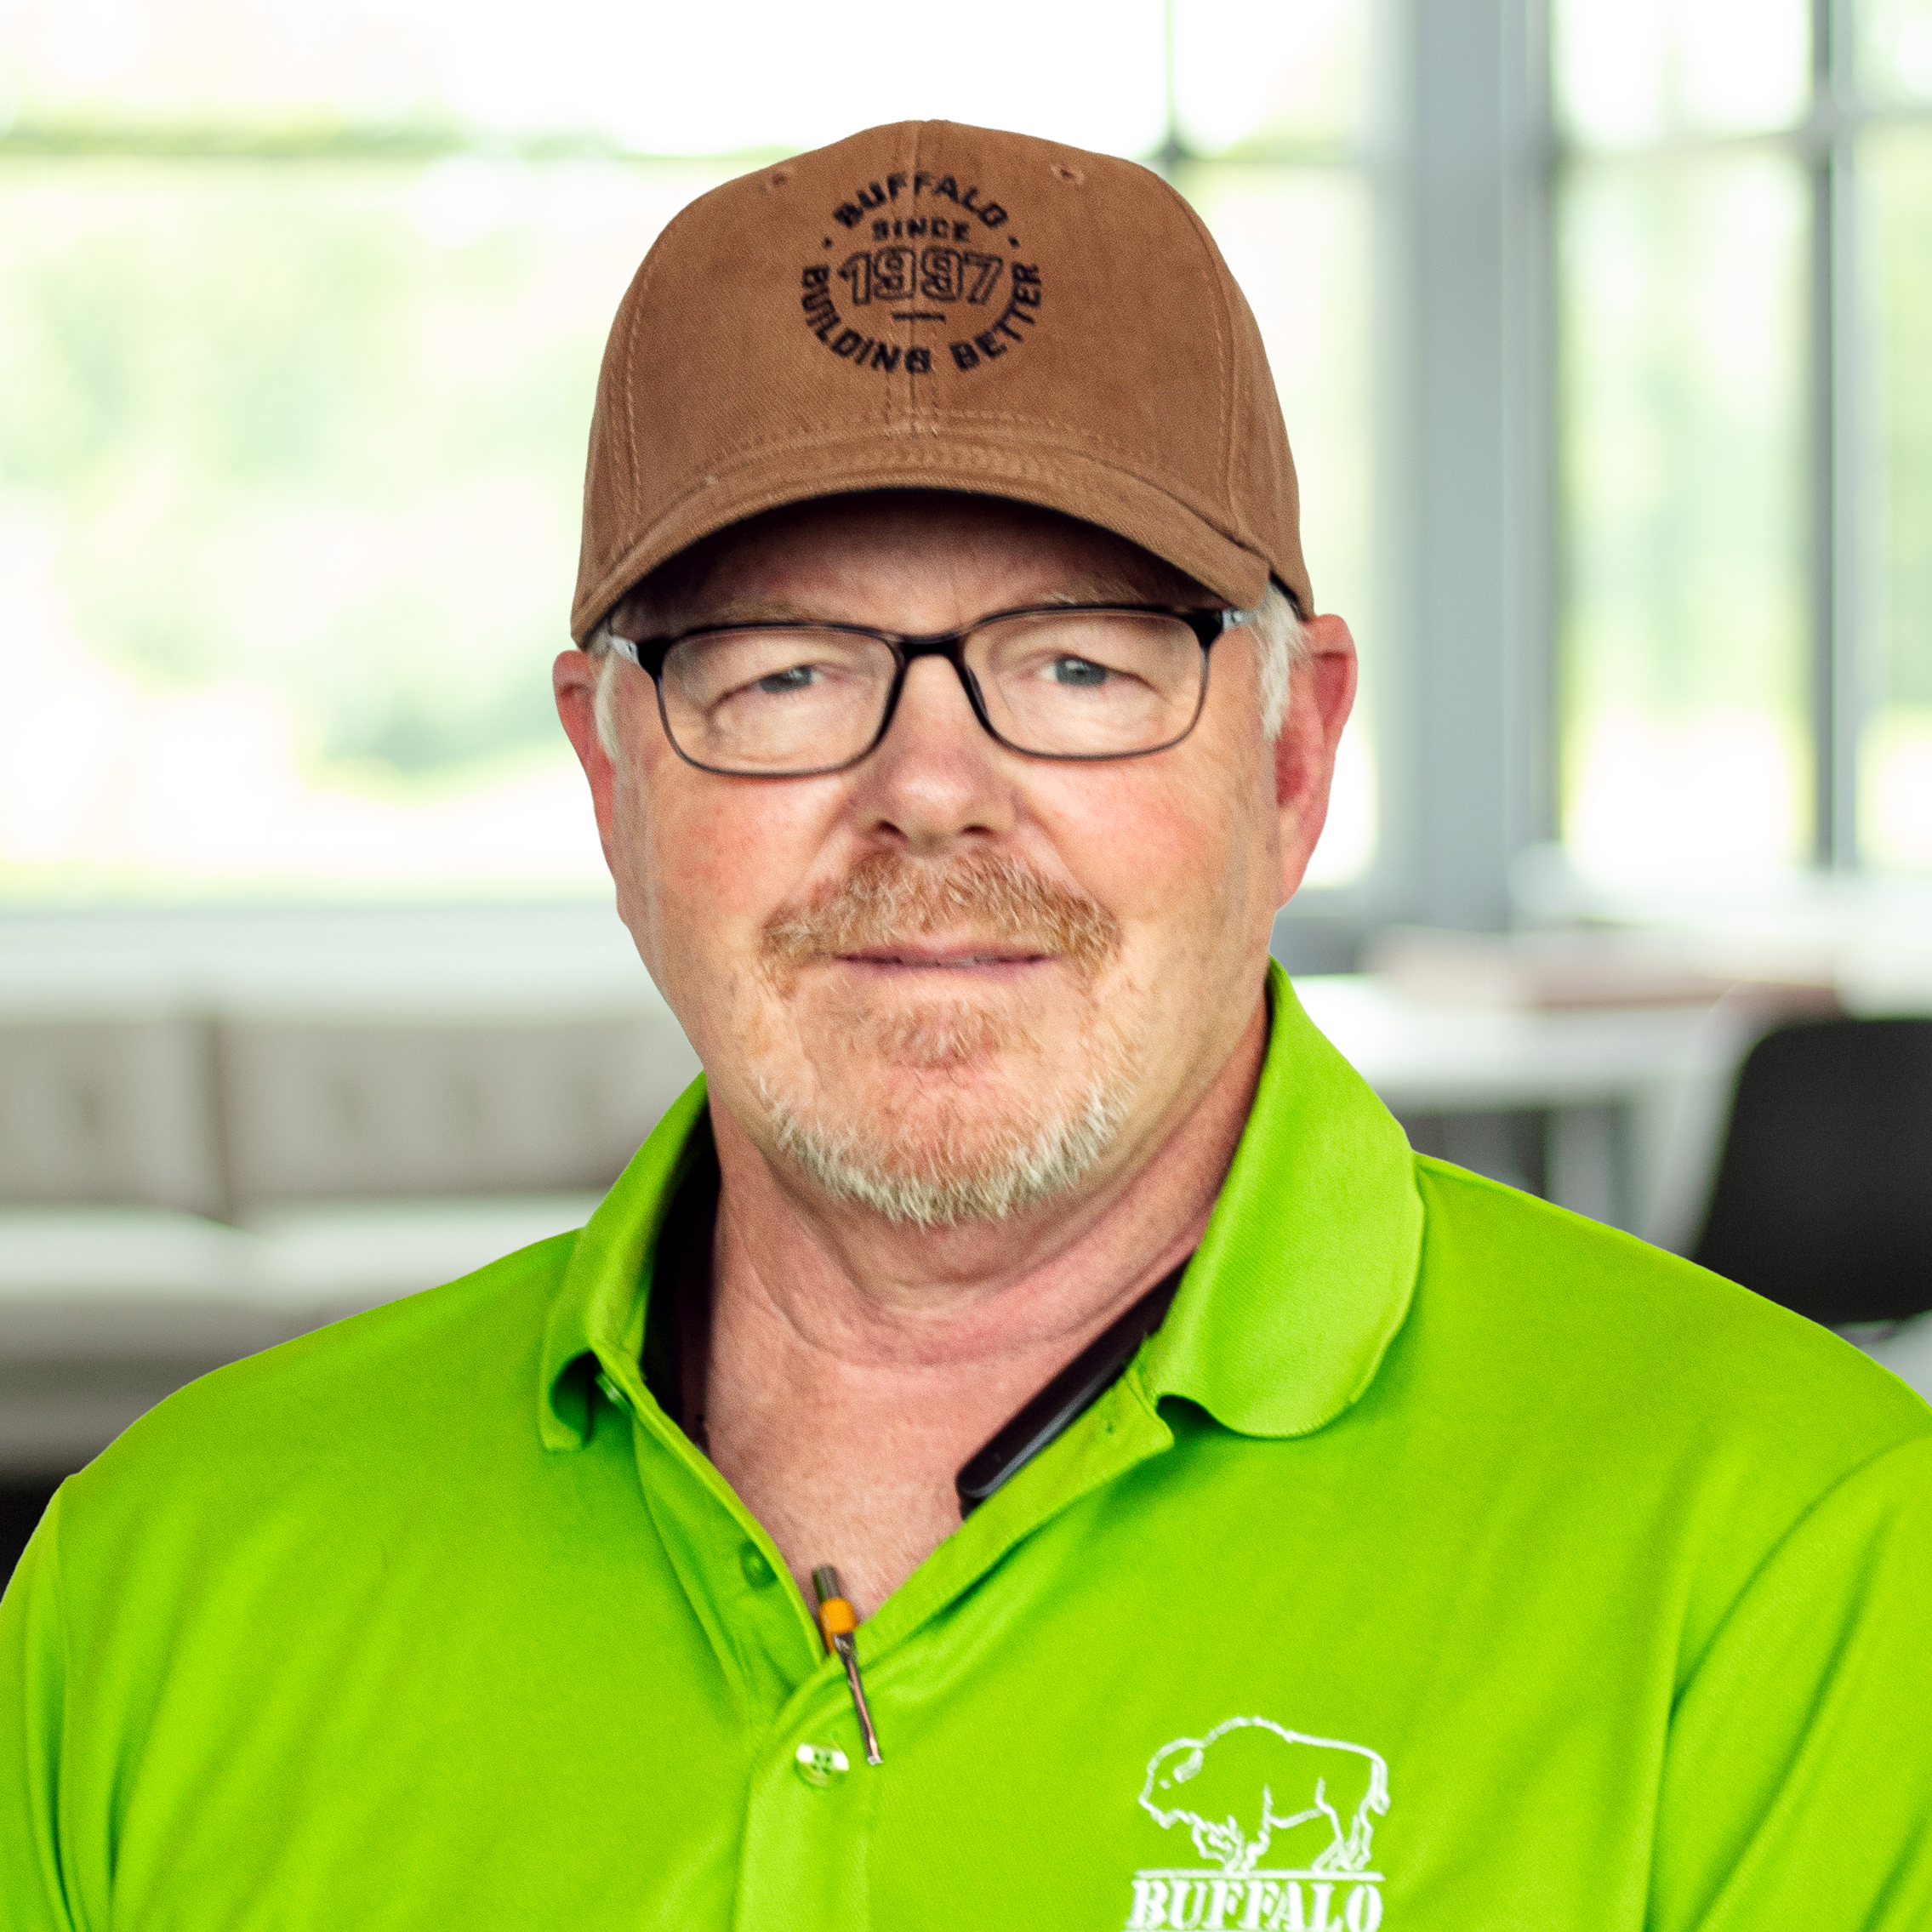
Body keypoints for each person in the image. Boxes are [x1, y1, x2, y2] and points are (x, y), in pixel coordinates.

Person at [3, 121, 1929, 1932]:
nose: (931, 787)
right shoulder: (157, 1585)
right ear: (613, 775)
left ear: (1295, 752)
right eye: (782, 672)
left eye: (1078, 664)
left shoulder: (1797, 1564)